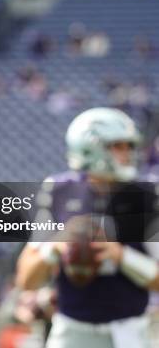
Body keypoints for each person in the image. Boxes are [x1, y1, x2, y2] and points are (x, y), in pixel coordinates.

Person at [16, 107, 159, 348]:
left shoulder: (147, 194)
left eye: (129, 146)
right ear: (90, 146)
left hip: (131, 331)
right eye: (119, 146)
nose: (128, 153)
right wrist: (58, 245)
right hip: (72, 330)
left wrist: (120, 256)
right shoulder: (57, 189)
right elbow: (27, 279)